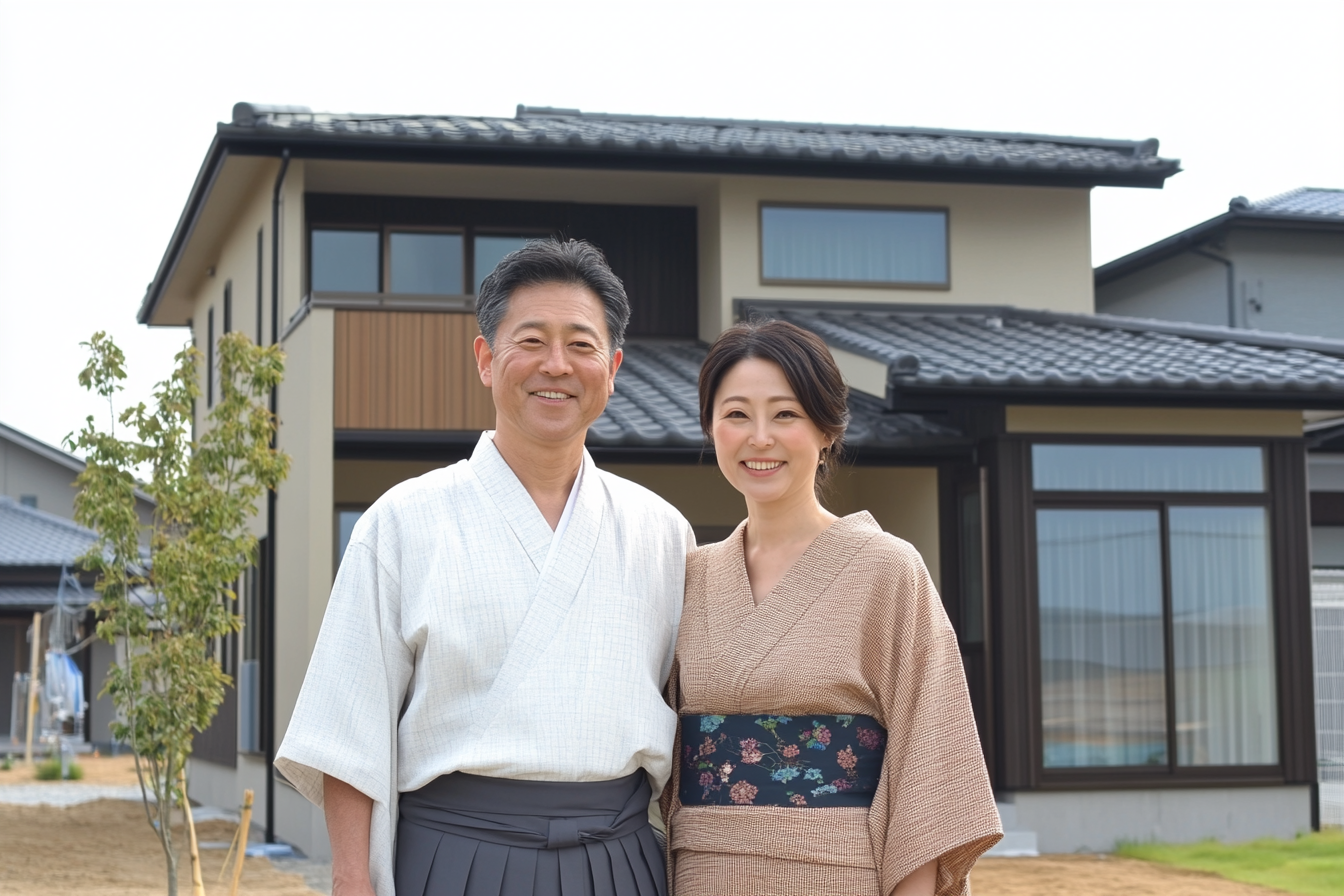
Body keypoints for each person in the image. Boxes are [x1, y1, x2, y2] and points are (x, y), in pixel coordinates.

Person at [276, 239, 693, 896]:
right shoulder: (403, 521)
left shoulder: (663, 533)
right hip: (453, 858)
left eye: (581, 345)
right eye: (532, 340)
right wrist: (350, 878)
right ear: (485, 358)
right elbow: (348, 726)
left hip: (618, 860)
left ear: (611, 369)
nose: (556, 365)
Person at [662, 320, 1002, 896]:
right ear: (711, 427)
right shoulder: (690, 574)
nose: (759, 437)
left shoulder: (887, 568)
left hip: (839, 873)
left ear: (827, 430)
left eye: (786, 414)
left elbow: (929, 761)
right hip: (702, 870)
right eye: (737, 413)